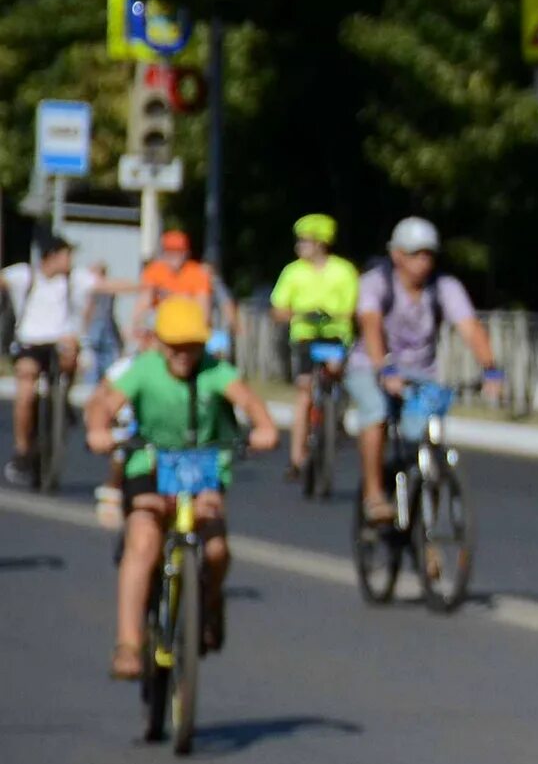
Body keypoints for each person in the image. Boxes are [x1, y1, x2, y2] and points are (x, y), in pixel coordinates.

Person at [84, 294, 277, 679]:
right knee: (143, 540)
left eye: (192, 344)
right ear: (158, 341)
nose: (184, 353)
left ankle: (206, 606)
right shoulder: (144, 370)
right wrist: (99, 430)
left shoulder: (215, 371)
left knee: (217, 548)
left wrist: (265, 430)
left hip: (204, 468)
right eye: (175, 344)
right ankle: (127, 644)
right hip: (151, 465)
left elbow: (250, 402)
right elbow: (104, 404)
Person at [353, 216, 505, 524]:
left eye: (428, 255)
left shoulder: (444, 287)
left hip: (421, 373)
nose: (423, 262)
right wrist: (385, 367)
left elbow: (470, 328)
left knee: (427, 449)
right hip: (370, 365)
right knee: (376, 414)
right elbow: (370, 324)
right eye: (414, 254)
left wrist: (491, 369)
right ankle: (373, 494)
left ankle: (426, 536)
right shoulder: (376, 282)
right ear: (396, 255)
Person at [268, 213, 360, 483]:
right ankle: (297, 457)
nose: (300, 246)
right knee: (304, 390)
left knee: (334, 370)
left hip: (335, 336)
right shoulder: (293, 271)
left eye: (305, 241)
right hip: (305, 336)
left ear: (320, 243)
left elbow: (353, 306)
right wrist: (294, 314)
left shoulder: (343, 270)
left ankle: (335, 414)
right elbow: (279, 307)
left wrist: (339, 316)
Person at [4, 231, 93, 484]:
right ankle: (22, 449)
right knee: (26, 390)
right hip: (30, 342)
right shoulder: (25, 275)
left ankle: (64, 400)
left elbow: (104, 284)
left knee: (71, 351)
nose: (70, 260)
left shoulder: (73, 279)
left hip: (59, 342)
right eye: (66, 254)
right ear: (52, 256)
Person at [134, 228, 233, 351]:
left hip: (189, 330)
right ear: (163, 253)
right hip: (160, 329)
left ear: (186, 253)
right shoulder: (153, 272)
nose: (174, 257)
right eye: (170, 252)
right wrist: (135, 324)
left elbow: (203, 310)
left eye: (178, 252)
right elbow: (144, 302)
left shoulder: (197, 273)